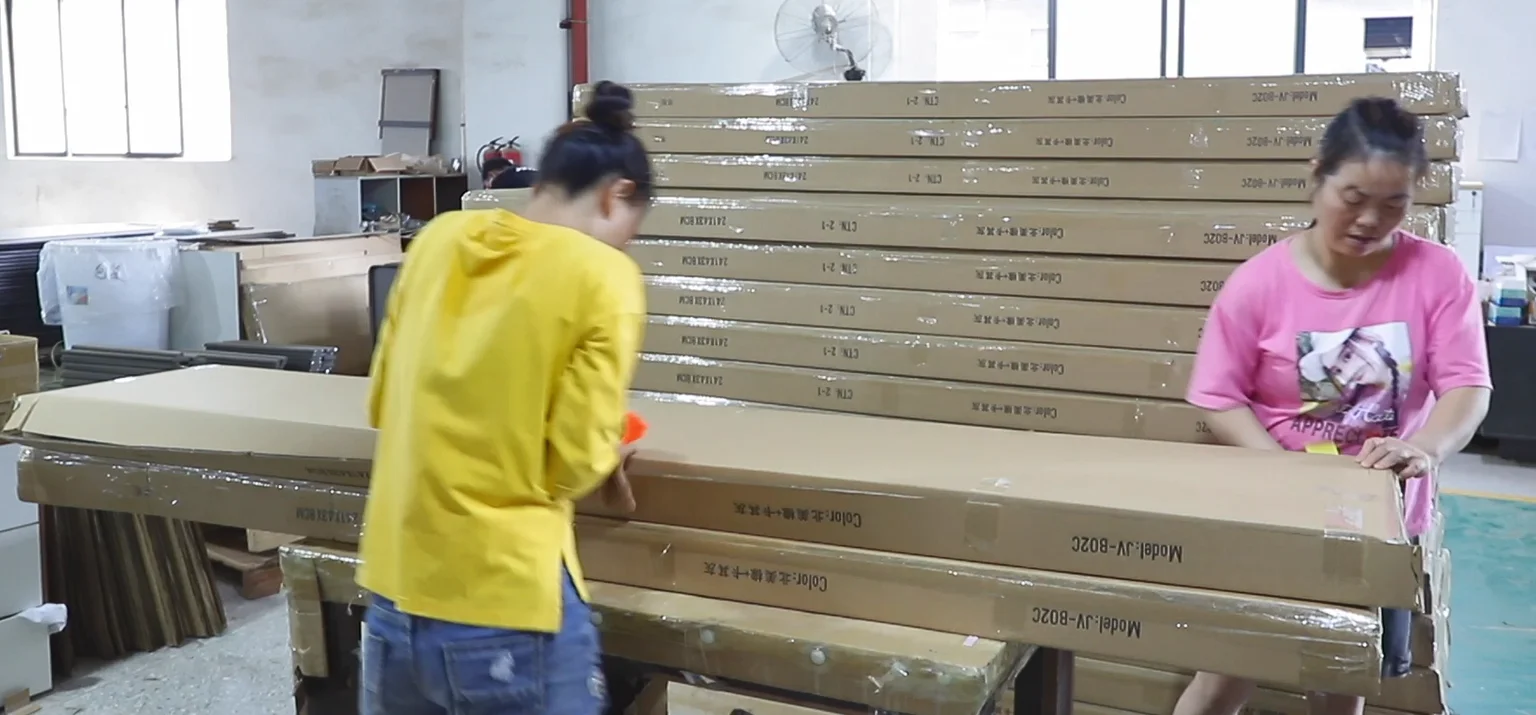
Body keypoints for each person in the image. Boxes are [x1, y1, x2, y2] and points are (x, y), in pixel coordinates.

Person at [1172, 97, 1492, 715]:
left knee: (1342, 687)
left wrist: (1425, 449)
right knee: (1223, 677)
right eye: (1353, 198)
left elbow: (1467, 385)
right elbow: (1217, 395)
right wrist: (1282, 468)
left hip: (1380, 526)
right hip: (1275, 521)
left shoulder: (1438, 275)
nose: (1370, 220)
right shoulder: (1260, 284)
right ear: (1318, 176)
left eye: (1394, 204)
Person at [355, 80, 652, 715]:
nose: (627, 243)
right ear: (616, 194)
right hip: (503, 609)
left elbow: (381, 402)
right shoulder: (605, 276)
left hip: (392, 595)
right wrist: (610, 449)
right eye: (633, 228)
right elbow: (571, 463)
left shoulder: (438, 240)